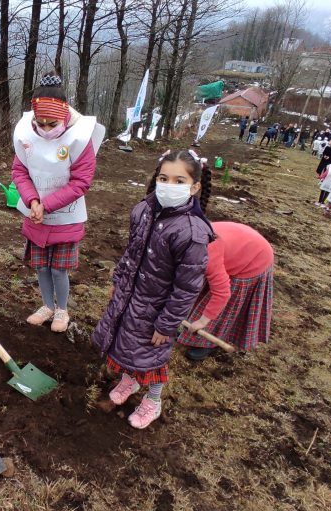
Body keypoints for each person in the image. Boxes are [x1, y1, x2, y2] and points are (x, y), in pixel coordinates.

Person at [92, 149, 212, 429]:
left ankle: (153, 401)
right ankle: (129, 381)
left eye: (179, 181)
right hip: (130, 298)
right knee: (125, 344)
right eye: (163, 178)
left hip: (157, 311)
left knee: (151, 359)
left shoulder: (191, 233)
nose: (169, 186)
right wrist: (119, 283)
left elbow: (187, 289)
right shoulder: (143, 211)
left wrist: (167, 324)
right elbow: (130, 253)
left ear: (194, 187)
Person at [13, 72, 105, 333]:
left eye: (52, 123)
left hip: (66, 217)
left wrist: (48, 204)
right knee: (41, 265)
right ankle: (46, 305)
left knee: (58, 269)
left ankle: (62, 309)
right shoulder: (25, 134)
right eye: (40, 123)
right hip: (35, 214)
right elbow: (19, 171)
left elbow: (81, 181)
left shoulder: (80, 138)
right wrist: (32, 200)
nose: (45, 128)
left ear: (64, 115)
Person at [178, 221, 274, 361]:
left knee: (225, 308)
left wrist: (203, 321)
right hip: (237, 243)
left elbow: (222, 293)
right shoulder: (183, 240)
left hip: (253, 259)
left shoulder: (207, 254)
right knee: (202, 289)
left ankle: (208, 343)